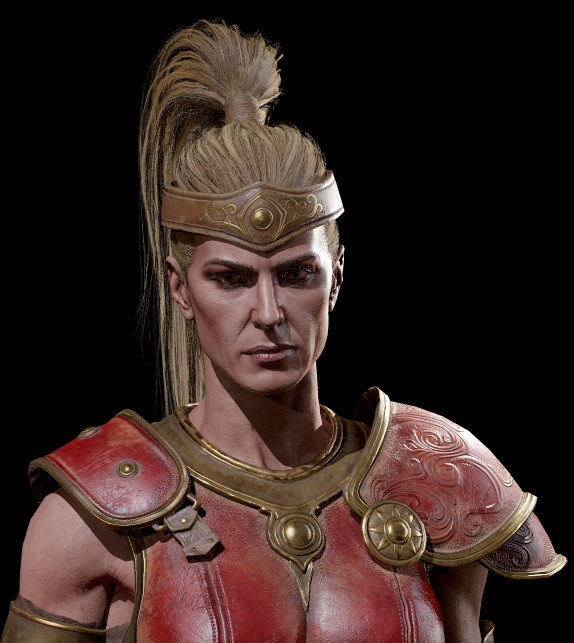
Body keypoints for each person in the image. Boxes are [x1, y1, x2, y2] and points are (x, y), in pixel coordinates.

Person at [1, 17, 566, 643]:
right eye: (231, 279)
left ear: (337, 277)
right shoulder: (88, 518)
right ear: (180, 287)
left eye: (297, 274)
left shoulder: (440, 483)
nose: (269, 312)